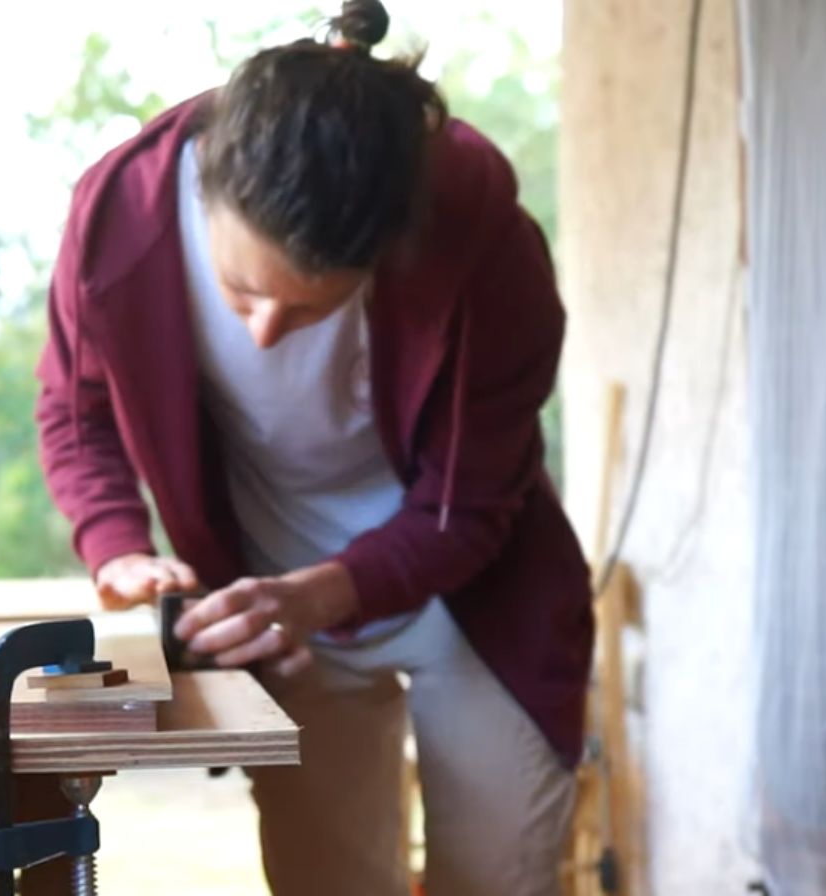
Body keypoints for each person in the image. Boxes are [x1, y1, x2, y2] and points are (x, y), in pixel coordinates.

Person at [33, 1, 594, 893]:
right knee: (330, 879)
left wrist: (328, 590)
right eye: (241, 290)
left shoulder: (481, 235)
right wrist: (122, 549)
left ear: (387, 253)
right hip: (274, 607)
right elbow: (75, 413)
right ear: (204, 189)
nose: (262, 333)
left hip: (477, 595)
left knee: (499, 874)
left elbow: (473, 500)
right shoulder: (120, 217)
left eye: (307, 307)